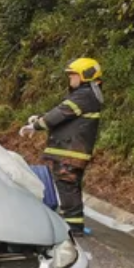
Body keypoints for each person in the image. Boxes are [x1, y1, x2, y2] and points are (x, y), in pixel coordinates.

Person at [20, 58, 103, 236]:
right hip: (72, 151)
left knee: (67, 186)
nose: (70, 78)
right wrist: (40, 119)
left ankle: (73, 229)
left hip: (70, 152)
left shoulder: (84, 95)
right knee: (70, 187)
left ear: (84, 76)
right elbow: (62, 115)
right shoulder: (86, 96)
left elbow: (60, 114)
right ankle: (74, 225)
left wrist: (35, 126)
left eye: (73, 74)